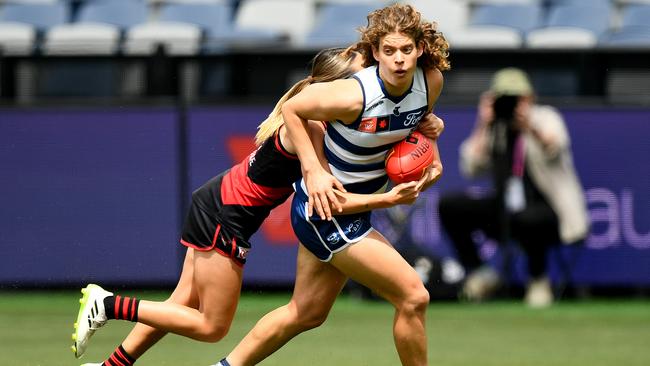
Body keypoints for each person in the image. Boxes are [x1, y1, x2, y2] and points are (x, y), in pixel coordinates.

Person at [72, 47, 444, 366]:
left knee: (180, 303)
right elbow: (333, 195)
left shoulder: (324, 121)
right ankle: (107, 304)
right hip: (226, 215)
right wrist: (390, 198)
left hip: (217, 201)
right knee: (210, 325)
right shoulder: (311, 129)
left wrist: (420, 121)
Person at [211, 4, 450, 366]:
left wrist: (433, 156)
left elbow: (415, 126)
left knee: (305, 312)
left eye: (405, 50)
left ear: (419, 49)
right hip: (326, 211)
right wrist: (314, 170)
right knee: (414, 296)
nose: (399, 60)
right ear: (374, 52)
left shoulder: (430, 81)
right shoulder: (353, 95)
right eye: (388, 51)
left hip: (353, 209)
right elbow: (294, 109)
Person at [437, 67, 590, 308]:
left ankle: (538, 280)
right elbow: (471, 167)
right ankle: (481, 272)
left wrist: (528, 126)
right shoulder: (494, 127)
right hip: (505, 209)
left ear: (530, 98)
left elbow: (555, 146)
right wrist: (482, 124)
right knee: (451, 205)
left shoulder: (545, 117)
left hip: (548, 211)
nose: (511, 105)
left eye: (517, 98)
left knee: (529, 218)